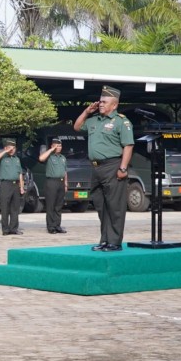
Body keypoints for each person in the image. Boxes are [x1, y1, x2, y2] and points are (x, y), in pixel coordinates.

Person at [74, 86, 135, 252]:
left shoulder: (122, 121)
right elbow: (77, 127)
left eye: (104, 102)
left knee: (115, 206)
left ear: (114, 105)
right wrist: (87, 112)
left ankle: (115, 242)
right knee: (101, 206)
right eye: (100, 101)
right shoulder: (94, 120)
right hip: (96, 168)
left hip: (113, 166)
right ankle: (105, 240)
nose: (100, 104)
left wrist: (123, 168)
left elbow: (128, 146)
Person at [0, 138, 25, 236]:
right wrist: (5, 151)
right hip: (5, 184)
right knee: (5, 208)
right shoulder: (3, 158)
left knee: (15, 208)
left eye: (13, 148)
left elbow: (20, 173)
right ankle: (5, 230)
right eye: (10, 147)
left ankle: (14, 228)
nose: (12, 149)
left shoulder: (17, 159)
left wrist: (21, 186)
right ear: (6, 148)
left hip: (15, 185)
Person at [38, 138, 68, 234]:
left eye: (59, 146)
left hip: (61, 182)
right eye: (56, 146)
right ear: (52, 146)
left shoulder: (63, 158)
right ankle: (50, 227)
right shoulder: (49, 156)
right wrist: (51, 150)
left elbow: (65, 171)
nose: (58, 148)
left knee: (59, 205)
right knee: (51, 205)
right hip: (51, 182)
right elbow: (41, 158)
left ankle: (57, 225)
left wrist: (66, 183)